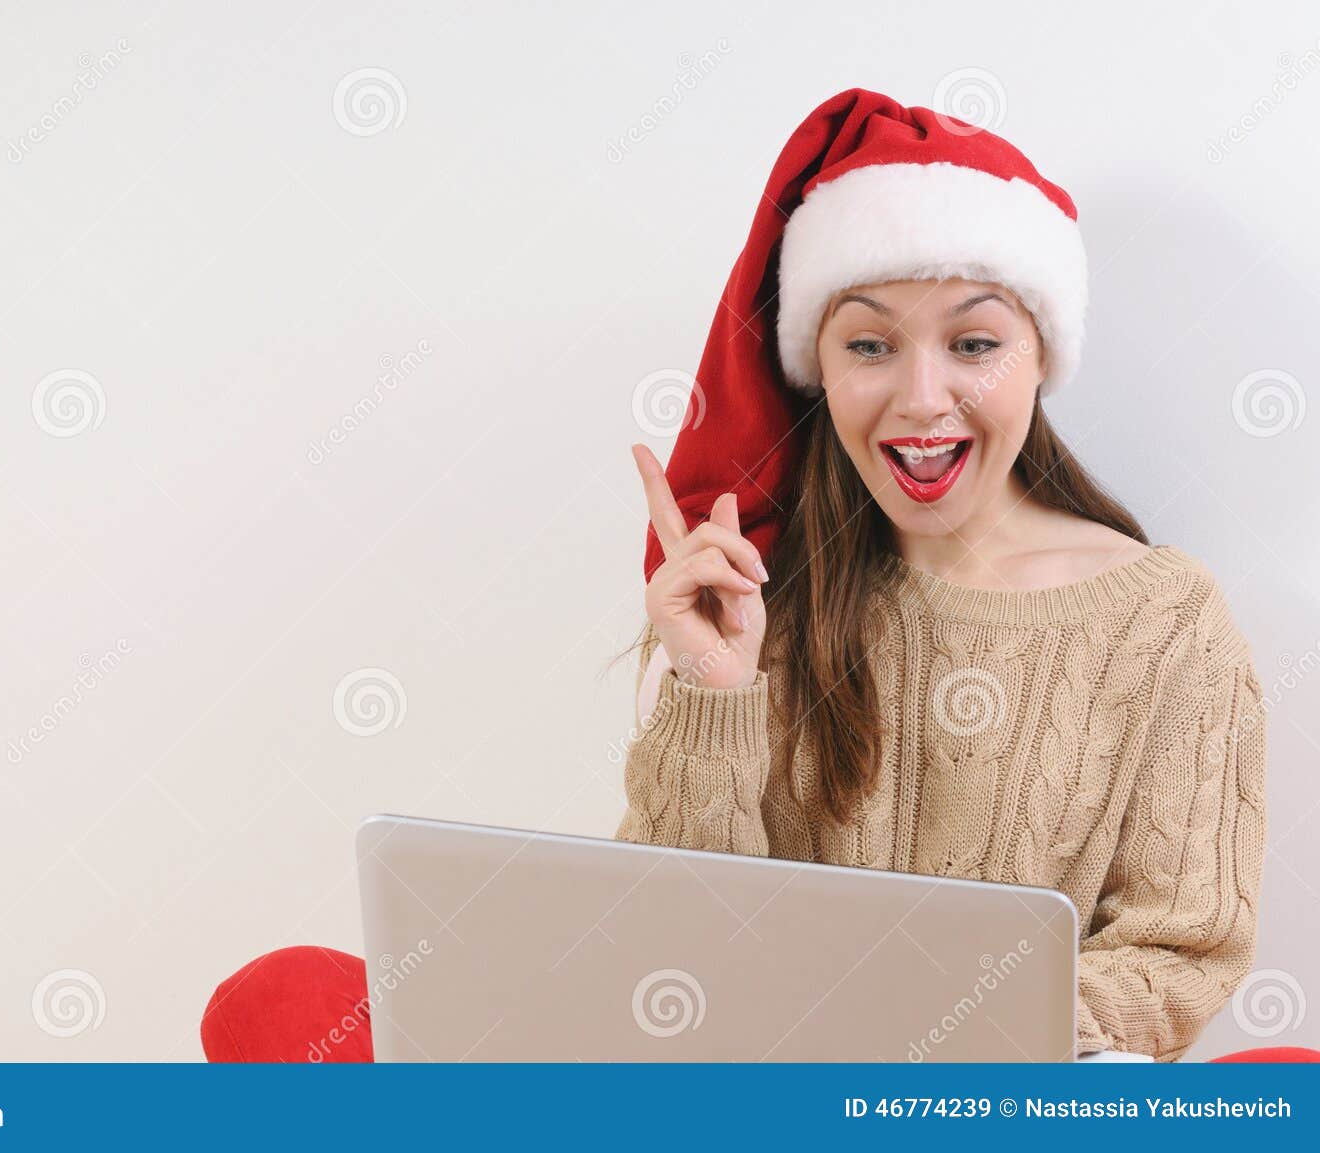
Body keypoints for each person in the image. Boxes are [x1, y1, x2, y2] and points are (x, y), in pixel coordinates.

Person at [202, 87, 1287, 1064]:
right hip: (752, 1095)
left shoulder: (1166, 619)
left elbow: (1182, 951)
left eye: (972, 344)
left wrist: (958, 1046)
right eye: (869, 347)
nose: (919, 399)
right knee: (289, 1005)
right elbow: (663, 939)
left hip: (997, 1102)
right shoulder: (770, 591)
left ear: (1041, 354)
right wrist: (712, 692)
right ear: (820, 370)